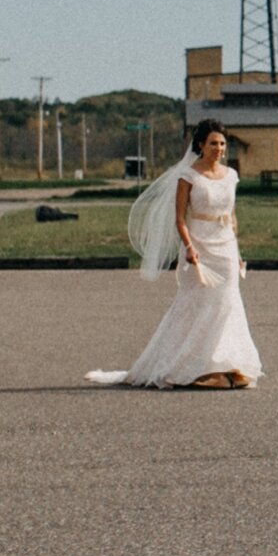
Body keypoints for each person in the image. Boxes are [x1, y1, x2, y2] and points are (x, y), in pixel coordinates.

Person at [86, 121, 263, 390]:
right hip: (199, 245)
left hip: (225, 245)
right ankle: (194, 366)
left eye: (222, 144)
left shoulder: (231, 176)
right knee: (197, 304)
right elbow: (180, 217)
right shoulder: (188, 176)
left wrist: (237, 252)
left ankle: (225, 363)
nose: (219, 148)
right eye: (213, 143)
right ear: (201, 145)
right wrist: (189, 246)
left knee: (227, 303)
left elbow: (233, 216)